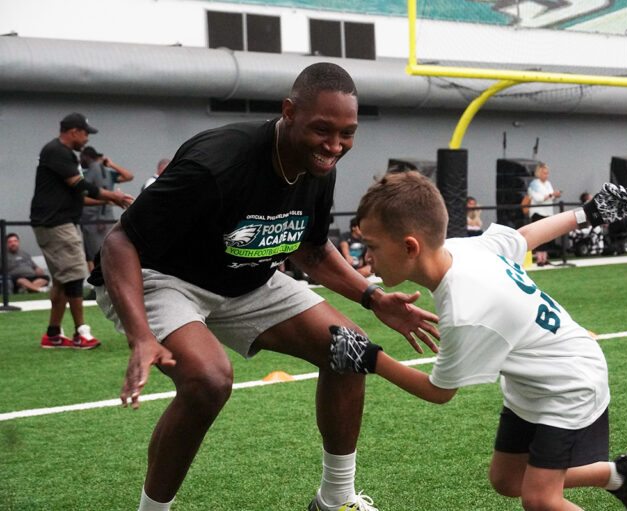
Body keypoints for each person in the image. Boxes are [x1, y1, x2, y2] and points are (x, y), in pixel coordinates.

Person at [88, 63, 439, 511]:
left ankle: (335, 500)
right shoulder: (216, 163)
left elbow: (309, 249)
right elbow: (118, 242)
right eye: (323, 130)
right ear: (289, 112)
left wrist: (372, 298)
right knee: (208, 379)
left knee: (349, 350)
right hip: (160, 277)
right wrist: (141, 335)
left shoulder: (319, 166)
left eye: (347, 134)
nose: (334, 146)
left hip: (243, 277)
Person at [329, 171, 627, 511]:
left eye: (373, 247)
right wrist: (587, 213)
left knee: (540, 499)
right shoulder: (459, 248)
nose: (368, 259)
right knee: (507, 480)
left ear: (410, 247)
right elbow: (525, 236)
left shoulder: (464, 309)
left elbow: (439, 392)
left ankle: (614, 476)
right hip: (537, 381)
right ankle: (621, 474)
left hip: (569, 384)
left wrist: (369, 358)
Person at [30, 112, 133, 350]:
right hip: (57, 225)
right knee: (75, 276)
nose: (86, 139)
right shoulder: (58, 151)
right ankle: (80, 334)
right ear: (73, 131)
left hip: (56, 222)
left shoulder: (62, 154)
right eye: (85, 133)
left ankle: (53, 334)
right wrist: (113, 195)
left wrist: (109, 201)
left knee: (62, 281)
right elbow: (80, 185)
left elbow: (78, 196)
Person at [80, 146, 134, 271]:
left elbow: (128, 176)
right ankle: (95, 282)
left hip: (104, 217)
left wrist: (111, 165)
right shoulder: (83, 175)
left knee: (106, 250)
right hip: (89, 218)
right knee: (91, 253)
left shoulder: (107, 174)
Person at [527, 164, 562, 266]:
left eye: (547, 173)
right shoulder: (534, 184)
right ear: (539, 173)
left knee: (546, 236)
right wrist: (551, 195)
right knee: (538, 236)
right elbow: (538, 198)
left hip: (548, 212)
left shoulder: (548, 183)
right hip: (538, 213)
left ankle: (545, 258)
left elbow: (551, 198)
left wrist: (555, 195)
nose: (546, 175)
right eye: (544, 173)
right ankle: (539, 259)